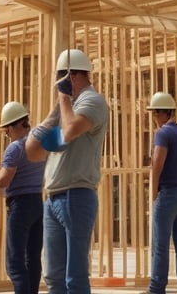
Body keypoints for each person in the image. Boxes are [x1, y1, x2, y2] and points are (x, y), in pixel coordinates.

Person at [25, 49, 109, 294]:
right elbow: (33, 152)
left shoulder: (93, 101)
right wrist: (55, 111)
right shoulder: (65, 110)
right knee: (54, 277)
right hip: (53, 198)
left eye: (61, 79)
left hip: (77, 195)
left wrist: (63, 97)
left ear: (71, 77)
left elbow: (71, 129)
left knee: (74, 277)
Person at [0, 102, 46, 294]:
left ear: (11, 126)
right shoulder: (38, 144)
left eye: (6, 130)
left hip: (20, 207)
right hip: (38, 204)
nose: (6, 135)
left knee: (15, 263)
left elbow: (5, 178)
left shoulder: (14, 148)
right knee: (33, 258)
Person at [145, 92, 177, 294]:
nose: (153, 118)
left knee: (160, 245)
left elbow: (157, 165)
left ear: (160, 113)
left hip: (168, 193)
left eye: (154, 114)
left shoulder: (163, 133)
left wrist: (154, 192)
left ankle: (156, 288)